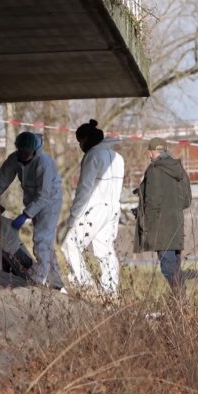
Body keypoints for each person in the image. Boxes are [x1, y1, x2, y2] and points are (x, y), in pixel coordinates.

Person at [61, 119, 125, 296]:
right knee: (105, 251)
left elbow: (84, 189)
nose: (80, 145)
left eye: (80, 141)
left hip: (95, 208)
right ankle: (110, 292)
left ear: (86, 139)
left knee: (70, 244)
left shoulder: (92, 156)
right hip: (113, 208)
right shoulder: (117, 157)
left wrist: (74, 216)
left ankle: (85, 285)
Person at [0, 131, 64, 289]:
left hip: (50, 202)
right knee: (46, 242)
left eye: (26, 152)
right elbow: (1, 179)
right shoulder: (15, 158)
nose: (23, 155)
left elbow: (44, 195)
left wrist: (25, 215)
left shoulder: (44, 163)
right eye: (20, 151)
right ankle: (56, 282)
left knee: (41, 239)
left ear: (34, 150)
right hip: (33, 200)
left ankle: (37, 279)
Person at [134, 137, 192, 294]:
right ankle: (180, 304)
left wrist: (145, 225)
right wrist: (172, 208)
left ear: (152, 152)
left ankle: (180, 300)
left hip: (161, 228)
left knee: (168, 268)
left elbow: (152, 203)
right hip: (176, 226)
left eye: (149, 152)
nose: (148, 155)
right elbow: (186, 201)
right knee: (174, 267)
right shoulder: (179, 169)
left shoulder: (154, 170)